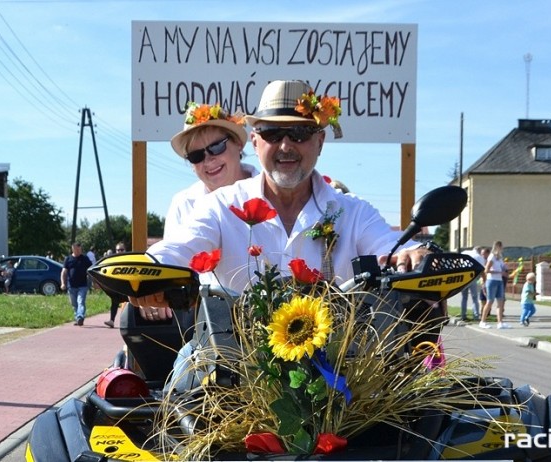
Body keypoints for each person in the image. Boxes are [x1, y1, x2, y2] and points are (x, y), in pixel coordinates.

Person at [134, 79, 427, 321]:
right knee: (181, 383)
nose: (285, 146)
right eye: (272, 133)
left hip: (339, 370)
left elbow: (391, 248)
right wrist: (144, 273)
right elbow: (178, 249)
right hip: (234, 368)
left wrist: (412, 256)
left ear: (320, 142)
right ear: (255, 142)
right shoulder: (221, 205)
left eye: (299, 133)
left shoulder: (353, 211)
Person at [164, 101, 258, 240]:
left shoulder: (270, 193)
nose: (208, 160)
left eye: (216, 147)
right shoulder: (183, 205)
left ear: (238, 143)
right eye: (196, 156)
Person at [479, 241, 510, 329]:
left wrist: (505, 270)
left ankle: (500, 322)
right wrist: (500, 272)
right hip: (492, 280)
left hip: (499, 280)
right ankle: (482, 321)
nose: (502, 249)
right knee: (490, 301)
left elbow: (502, 268)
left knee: (501, 301)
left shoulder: (499, 258)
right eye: (501, 247)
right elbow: (486, 270)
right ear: (497, 247)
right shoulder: (492, 257)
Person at [61, 242, 92, 326]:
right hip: (71, 286)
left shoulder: (85, 259)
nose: (78, 251)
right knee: (74, 304)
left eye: (79, 249)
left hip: (83, 285)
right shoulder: (68, 259)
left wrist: (94, 282)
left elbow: (91, 270)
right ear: (73, 249)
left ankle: (80, 317)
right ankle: (77, 317)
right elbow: (64, 272)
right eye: (76, 249)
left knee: (80, 301)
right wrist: (63, 283)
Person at [104, 242, 127, 328]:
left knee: (130, 303)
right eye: (118, 250)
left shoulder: (128, 259)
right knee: (114, 302)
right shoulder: (113, 260)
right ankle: (112, 320)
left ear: (125, 250)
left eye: (122, 249)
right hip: (117, 286)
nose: (120, 251)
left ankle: (129, 321)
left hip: (127, 286)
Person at [460, 246, 486, 321]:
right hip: (473, 278)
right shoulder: (479, 257)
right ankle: (476, 315)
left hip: (463, 278)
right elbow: (482, 271)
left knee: (464, 297)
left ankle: (463, 315)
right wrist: (484, 281)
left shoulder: (464, 253)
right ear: (479, 251)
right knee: (474, 298)